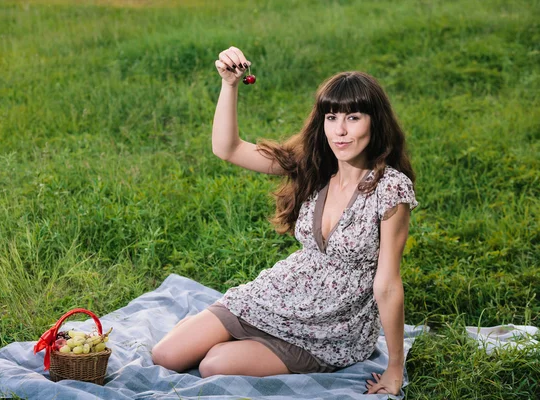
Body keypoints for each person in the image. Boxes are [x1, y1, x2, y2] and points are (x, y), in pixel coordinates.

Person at [152, 46, 418, 396]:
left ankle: (244, 340)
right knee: (165, 355)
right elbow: (228, 148)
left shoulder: (390, 189)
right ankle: (235, 326)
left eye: (353, 118)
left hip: (330, 326)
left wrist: (394, 368)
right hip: (279, 293)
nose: (340, 131)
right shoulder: (315, 165)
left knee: (213, 365)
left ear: (375, 122)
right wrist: (229, 85)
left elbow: (386, 284)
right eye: (331, 118)